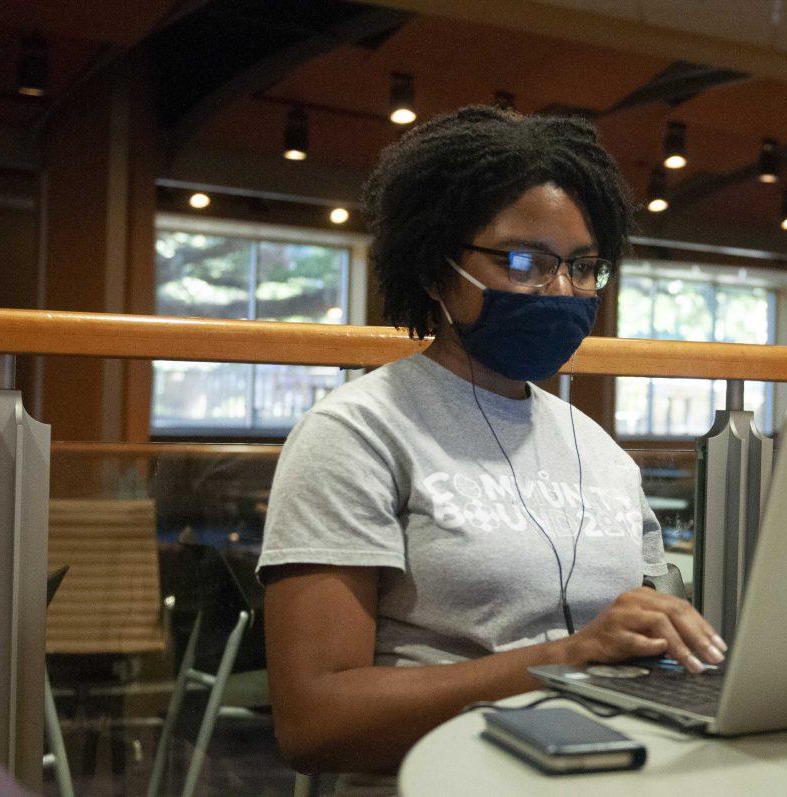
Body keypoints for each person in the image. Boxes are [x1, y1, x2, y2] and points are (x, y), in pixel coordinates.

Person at [259, 106, 726, 789]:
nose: (562, 290)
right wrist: (566, 656)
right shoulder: (357, 431)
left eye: (585, 266)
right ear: (436, 264)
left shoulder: (602, 455)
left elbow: (635, 652)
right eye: (525, 261)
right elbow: (314, 720)